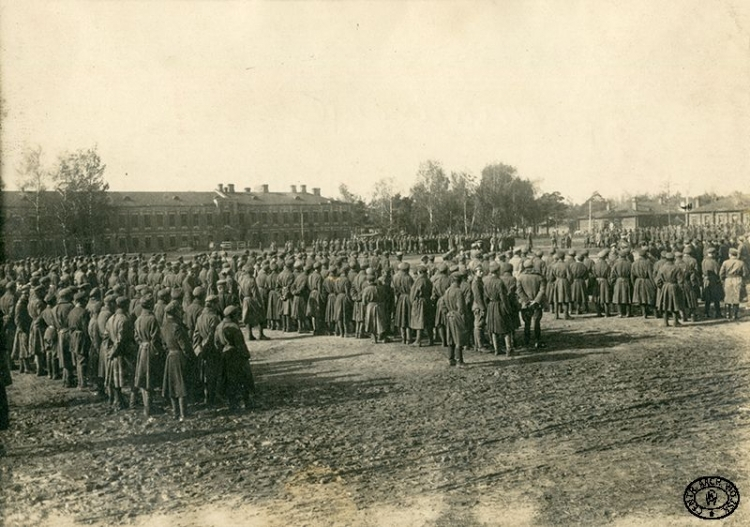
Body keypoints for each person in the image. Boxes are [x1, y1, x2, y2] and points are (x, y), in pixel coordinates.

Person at [215, 306, 255, 412]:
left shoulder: (219, 326)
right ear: (232, 315)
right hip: (236, 356)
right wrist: (246, 355)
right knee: (243, 379)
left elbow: (216, 343)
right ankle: (247, 403)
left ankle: (233, 404)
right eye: (236, 314)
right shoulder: (234, 327)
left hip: (225, 355)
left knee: (229, 381)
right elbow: (240, 344)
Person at [134, 295, 165, 419]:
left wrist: (142, 343)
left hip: (142, 349)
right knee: (149, 377)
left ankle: (147, 406)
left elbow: (136, 337)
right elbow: (156, 337)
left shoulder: (138, 319)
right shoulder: (152, 319)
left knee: (143, 377)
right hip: (151, 350)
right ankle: (149, 407)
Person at [161, 301, 191, 421]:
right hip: (179, 356)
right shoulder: (177, 327)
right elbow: (184, 346)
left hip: (170, 356)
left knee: (172, 385)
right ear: (175, 312)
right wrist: (189, 356)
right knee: (181, 385)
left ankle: (175, 413)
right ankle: (184, 413)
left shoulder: (164, 326)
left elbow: (163, 343)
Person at [484, 262, 514, 356]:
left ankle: (496, 349)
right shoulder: (499, 282)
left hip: (491, 306)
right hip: (500, 305)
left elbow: (485, 297)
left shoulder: (486, 282)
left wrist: (488, 307)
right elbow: (503, 297)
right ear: (497, 271)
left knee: (493, 329)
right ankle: (509, 349)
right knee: (506, 328)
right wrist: (508, 309)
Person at [517, 259, 546, 349]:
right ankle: (537, 340)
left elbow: (519, 291)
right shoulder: (539, 277)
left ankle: (526, 340)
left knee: (527, 322)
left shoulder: (520, 277)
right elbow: (542, 290)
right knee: (537, 322)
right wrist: (536, 300)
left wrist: (526, 300)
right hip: (537, 304)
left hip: (525, 304)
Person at [443, 271, 468, 366]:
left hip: (449, 315)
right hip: (457, 316)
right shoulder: (458, 291)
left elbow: (443, 304)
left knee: (450, 338)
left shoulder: (447, 291)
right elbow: (461, 307)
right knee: (459, 338)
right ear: (460, 281)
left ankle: (450, 358)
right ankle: (459, 361)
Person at [654, 253, 685, 327]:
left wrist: (661, 287)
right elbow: (680, 280)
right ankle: (676, 322)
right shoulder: (677, 268)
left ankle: (665, 322)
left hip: (665, 287)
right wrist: (680, 288)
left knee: (665, 304)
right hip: (674, 287)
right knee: (675, 304)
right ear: (673, 259)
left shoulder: (662, 268)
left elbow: (658, 280)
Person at [719, 248, 747, 321]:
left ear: (730, 255)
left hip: (728, 279)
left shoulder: (725, 262)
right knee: (736, 297)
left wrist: (722, 280)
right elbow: (745, 273)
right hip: (737, 279)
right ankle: (735, 315)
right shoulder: (741, 263)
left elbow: (721, 273)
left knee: (728, 296)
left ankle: (728, 314)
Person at [393, 262, 413, 344]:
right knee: (408, 318)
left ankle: (403, 338)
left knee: (401, 318)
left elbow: (394, 289)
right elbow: (412, 289)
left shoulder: (395, 277)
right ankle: (409, 338)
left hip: (400, 298)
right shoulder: (408, 278)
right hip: (408, 298)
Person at [701, 247, 724, 318]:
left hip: (705, 279)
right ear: (713, 254)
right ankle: (718, 313)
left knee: (707, 298)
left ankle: (706, 313)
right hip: (713, 280)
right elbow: (717, 272)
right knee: (716, 298)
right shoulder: (714, 262)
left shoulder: (704, 261)